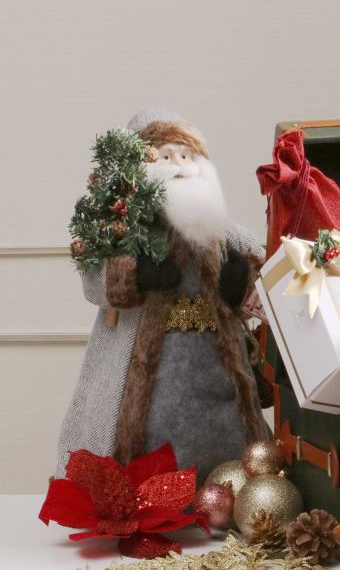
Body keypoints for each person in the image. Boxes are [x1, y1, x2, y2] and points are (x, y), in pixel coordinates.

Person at [55, 110, 270, 481]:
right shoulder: (122, 228)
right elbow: (93, 279)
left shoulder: (219, 229)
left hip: (215, 369)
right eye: (167, 156)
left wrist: (243, 277)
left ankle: (229, 486)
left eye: (186, 156)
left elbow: (265, 269)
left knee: (229, 437)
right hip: (143, 372)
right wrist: (133, 274)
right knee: (142, 436)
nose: (178, 166)